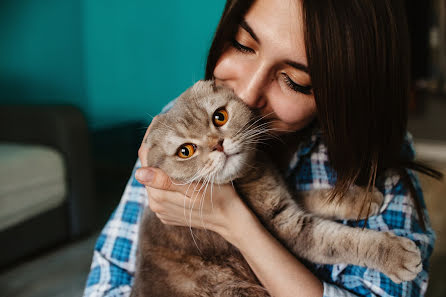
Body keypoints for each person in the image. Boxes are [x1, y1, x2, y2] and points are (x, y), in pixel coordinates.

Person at [83, 0, 441, 296]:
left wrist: (234, 223)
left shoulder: (380, 161)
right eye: (242, 44)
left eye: (295, 80)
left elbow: (283, 217)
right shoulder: (175, 132)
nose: (248, 95)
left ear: (342, 93)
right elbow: (109, 275)